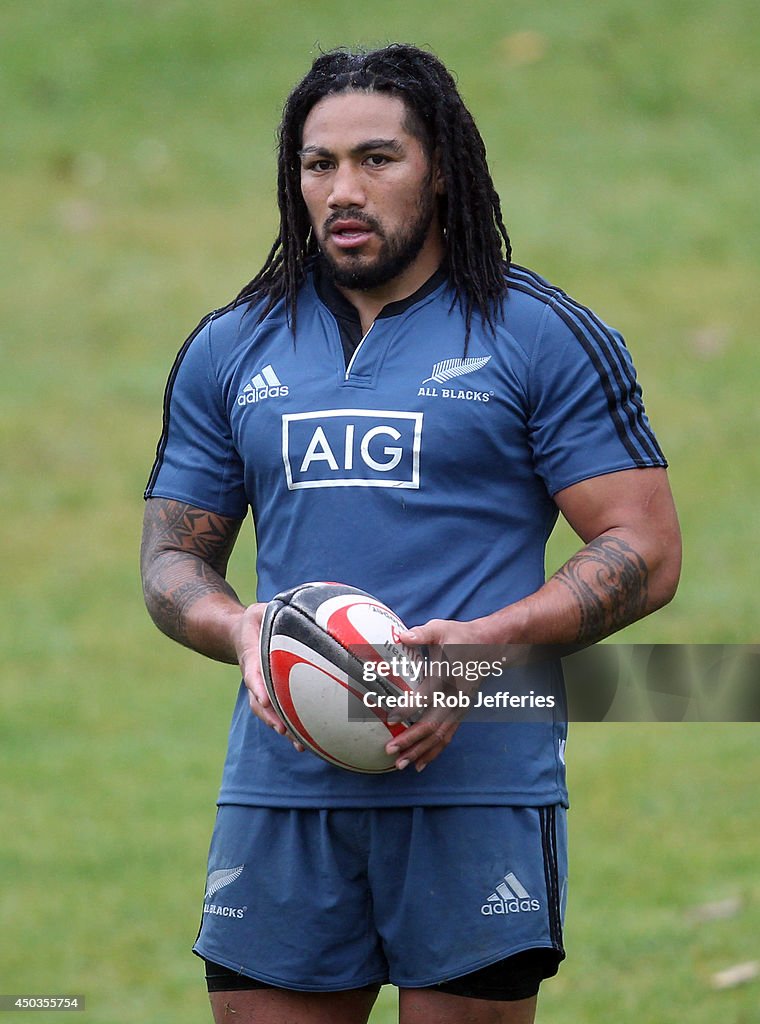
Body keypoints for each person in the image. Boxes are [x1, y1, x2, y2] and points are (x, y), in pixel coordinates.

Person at [140, 44, 681, 1024]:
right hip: (281, 793)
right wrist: (241, 630)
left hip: (474, 788)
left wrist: (486, 646)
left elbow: (642, 550)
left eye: (377, 159)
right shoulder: (231, 347)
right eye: (318, 164)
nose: (343, 188)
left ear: (441, 168)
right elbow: (173, 558)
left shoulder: (539, 334)